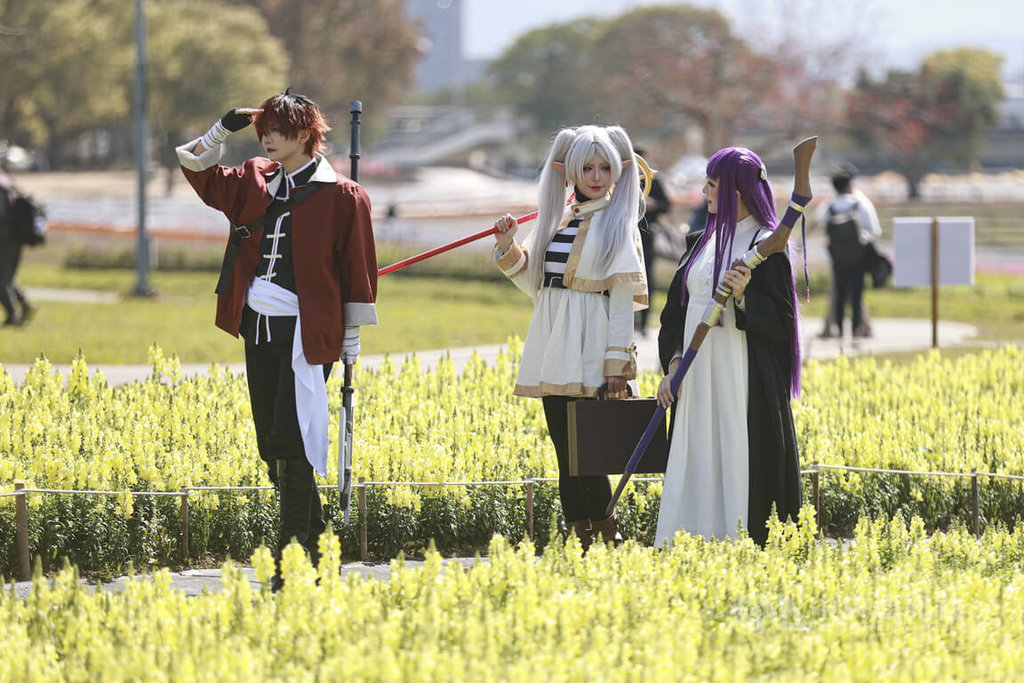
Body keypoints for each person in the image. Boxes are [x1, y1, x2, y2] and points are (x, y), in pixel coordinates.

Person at [176, 90, 378, 589]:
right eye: (263, 126)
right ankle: (319, 546)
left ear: (307, 131)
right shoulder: (253, 179)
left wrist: (350, 336)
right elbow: (196, 169)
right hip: (258, 327)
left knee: (292, 439)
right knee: (273, 444)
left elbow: (359, 272)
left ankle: (293, 560)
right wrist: (224, 128)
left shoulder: (343, 195)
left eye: (277, 127)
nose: (266, 136)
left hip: (307, 332)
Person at [492, 125, 648, 550]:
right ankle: (580, 535)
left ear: (617, 172)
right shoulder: (557, 220)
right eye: (586, 168)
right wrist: (508, 246)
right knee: (565, 451)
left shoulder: (617, 225)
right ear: (572, 173)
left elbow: (620, 301)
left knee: (588, 451)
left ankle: (606, 534)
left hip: (591, 350)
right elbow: (539, 288)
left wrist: (617, 365)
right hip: (552, 345)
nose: (596, 176)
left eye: (603, 168)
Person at [655, 146, 802, 547]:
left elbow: (783, 322)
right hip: (695, 376)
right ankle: (688, 537)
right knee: (695, 451)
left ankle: (737, 536)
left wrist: (743, 298)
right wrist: (672, 364)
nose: (704, 192)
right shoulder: (701, 241)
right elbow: (674, 312)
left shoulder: (767, 246)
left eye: (712, 184)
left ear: (736, 191)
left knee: (737, 451)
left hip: (740, 377)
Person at [817, 163, 881, 338]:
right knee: (856, 294)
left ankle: (837, 328)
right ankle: (856, 328)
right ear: (850, 184)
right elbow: (874, 231)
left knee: (838, 292)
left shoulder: (829, 206)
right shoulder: (860, 204)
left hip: (837, 258)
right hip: (858, 258)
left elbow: (821, 221)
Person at [633, 147, 672, 336]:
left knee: (646, 278)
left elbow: (666, 204)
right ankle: (630, 321)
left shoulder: (653, 181)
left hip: (647, 236)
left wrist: (653, 204)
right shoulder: (621, 179)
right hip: (625, 235)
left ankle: (644, 323)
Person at [0, 167, 36, 326]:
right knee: (6, 276)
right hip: (14, 237)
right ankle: (25, 305)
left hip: (5, 238)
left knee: (2, 279)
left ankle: (13, 315)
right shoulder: (6, 178)